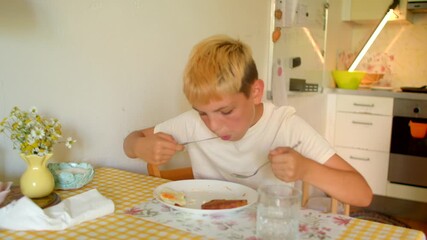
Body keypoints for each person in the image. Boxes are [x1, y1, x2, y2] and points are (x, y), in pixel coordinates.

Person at [123, 35, 372, 207]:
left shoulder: (285, 126)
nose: (214, 125)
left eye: (226, 111)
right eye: (202, 113)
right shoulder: (192, 123)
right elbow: (131, 141)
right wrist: (139, 147)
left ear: (255, 93)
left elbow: (362, 194)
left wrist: (307, 169)